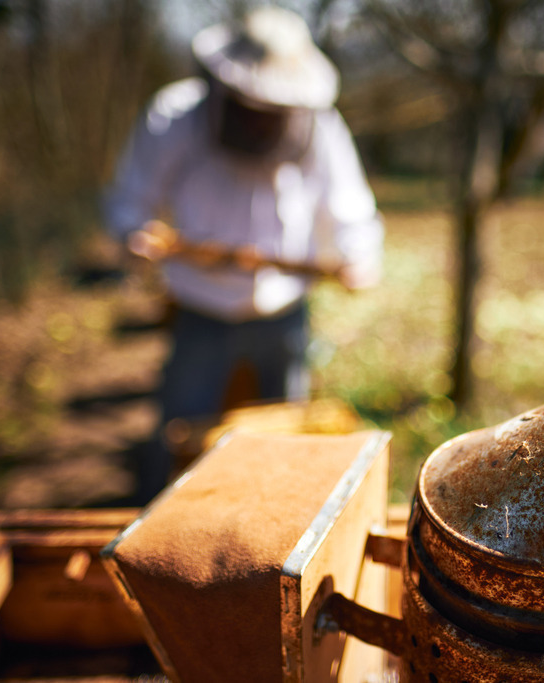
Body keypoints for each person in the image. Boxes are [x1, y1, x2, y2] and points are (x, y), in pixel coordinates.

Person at [103, 7, 383, 503]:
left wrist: (359, 254)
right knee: (182, 434)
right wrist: (135, 232)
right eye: (250, 105)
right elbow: (131, 196)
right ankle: (163, 519)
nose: (260, 120)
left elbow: (350, 206)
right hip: (199, 310)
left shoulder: (320, 128)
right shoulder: (176, 115)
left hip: (284, 314)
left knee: (284, 439)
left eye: (272, 108)